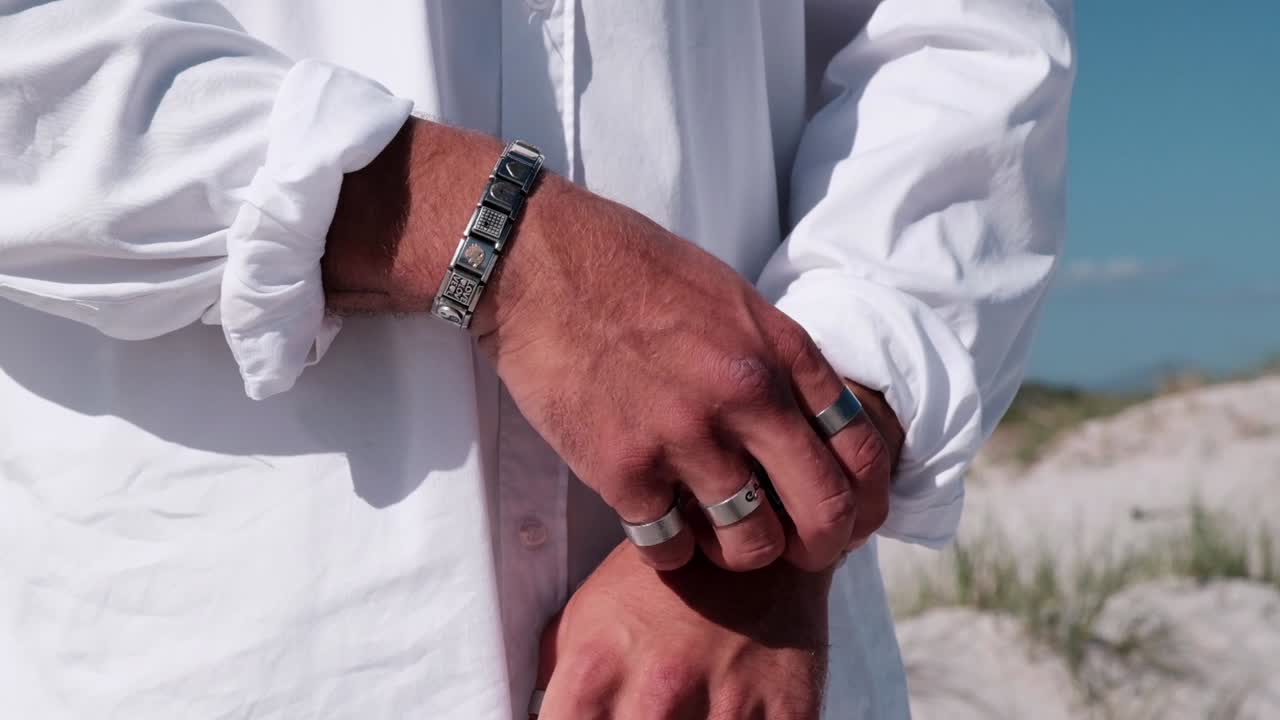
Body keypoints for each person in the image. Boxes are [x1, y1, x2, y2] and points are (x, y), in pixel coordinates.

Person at [0, 1, 1074, 718]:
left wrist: (773, 514)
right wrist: (506, 250)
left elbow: (958, 46)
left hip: (741, 656)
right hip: (222, 646)